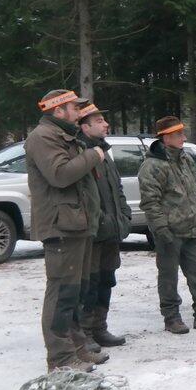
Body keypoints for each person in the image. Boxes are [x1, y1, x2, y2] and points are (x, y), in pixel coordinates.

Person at [25, 89, 107, 371]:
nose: (79, 112)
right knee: (62, 292)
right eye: (75, 107)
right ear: (58, 111)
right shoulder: (42, 137)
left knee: (75, 292)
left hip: (76, 224)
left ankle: (77, 349)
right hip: (61, 226)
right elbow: (60, 175)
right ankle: (60, 358)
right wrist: (93, 154)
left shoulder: (65, 136)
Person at [139, 116, 196, 333]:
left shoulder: (186, 159)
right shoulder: (152, 166)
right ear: (165, 137)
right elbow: (150, 202)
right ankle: (171, 317)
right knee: (169, 277)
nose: (184, 138)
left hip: (191, 230)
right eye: (178, 134)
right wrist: (161, 229)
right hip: (169, 232)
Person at [75, 100, 132, 348]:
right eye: (99, 121)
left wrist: (124, 215)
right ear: (85, 127)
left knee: (107, 279)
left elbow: (116, 188)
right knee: (90, 283)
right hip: (93, 234)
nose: (106, 124)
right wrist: (98, 220)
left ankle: (100, 328)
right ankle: (85, 333)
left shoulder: (103, 152)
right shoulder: (80, 154)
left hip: (110, 232)